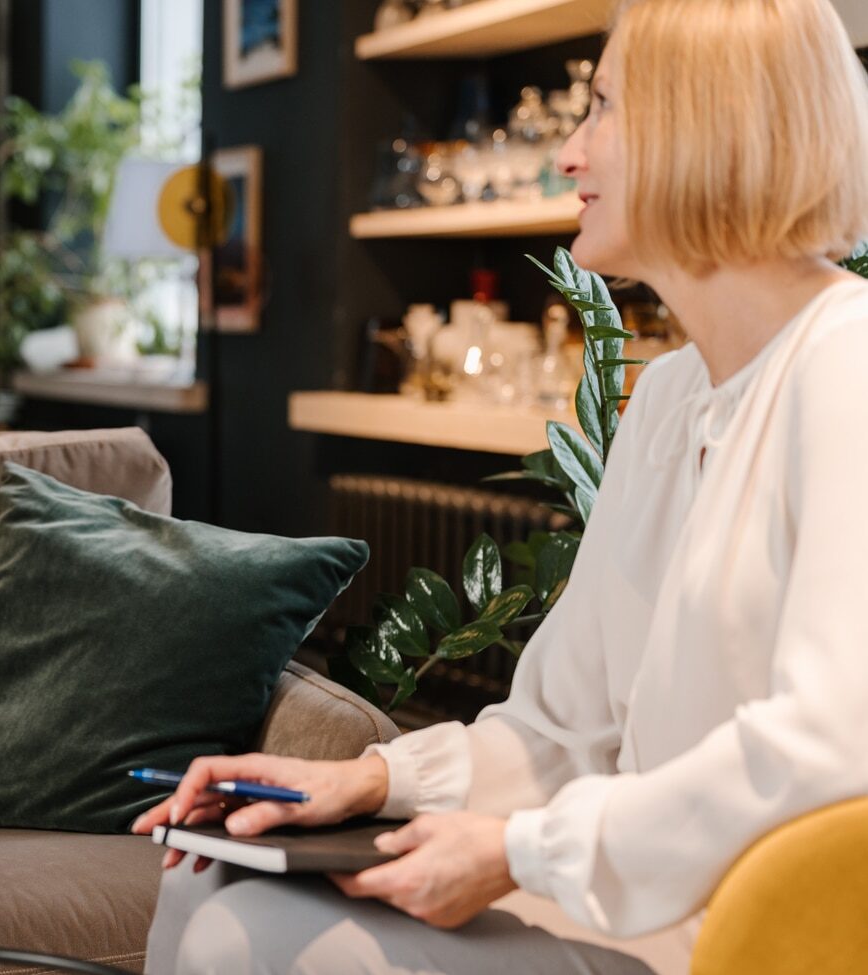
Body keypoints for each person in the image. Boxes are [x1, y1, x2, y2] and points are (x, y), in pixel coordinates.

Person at [134, 0, 868, 971]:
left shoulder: (847, 364)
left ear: (705, 124)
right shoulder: (669, 402)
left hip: (742, 939)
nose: (569, 153)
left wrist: (522, 852)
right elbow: (562, 730)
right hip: (621, 903)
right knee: (209, 884)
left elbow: (833, 745)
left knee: (249, 936)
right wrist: (367, 779)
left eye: (601, 108)